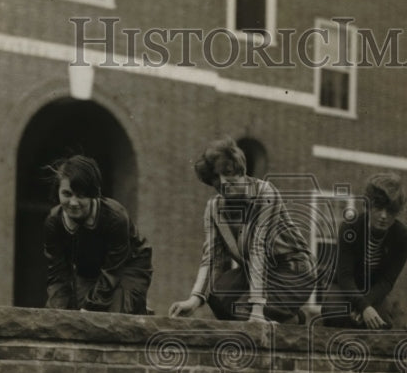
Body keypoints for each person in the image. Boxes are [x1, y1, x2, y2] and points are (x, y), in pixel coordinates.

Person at [168, 137, 316, 323]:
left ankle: (291, 319)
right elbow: (212, 258)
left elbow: (258, 249)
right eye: (215, 177)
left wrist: (257, 308)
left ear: (241, 171)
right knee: (218, 297)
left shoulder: (264, 193)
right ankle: (286, 316)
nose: (222, 182)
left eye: (228, 173)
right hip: (254, 271)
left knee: (244, 313)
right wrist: (194, 300)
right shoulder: (214, 208)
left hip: (292, 269)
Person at [43, 155, 152, 313]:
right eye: (67, 194)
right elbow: (57, 274)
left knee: (110, 314)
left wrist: (91, 306)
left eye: (81, 195)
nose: (73, 202)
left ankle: (135, 305)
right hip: (89, 268)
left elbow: (112, 271)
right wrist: (56, 312)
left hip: (127, 265)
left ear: (93, 194)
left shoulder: (115, 217)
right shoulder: (53, 222)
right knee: (70, 312)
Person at [321, 173, 407, 330]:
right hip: (344, 287)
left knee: (381, 320)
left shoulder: (403, 237)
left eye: (390, 211)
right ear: (367, 206)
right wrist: (363, 307)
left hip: (374, 291)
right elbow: (345, 276)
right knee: (336, 312)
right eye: (378, 208)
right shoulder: (350, 228)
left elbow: (387, 281)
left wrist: (365, 307)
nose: (383, 216)